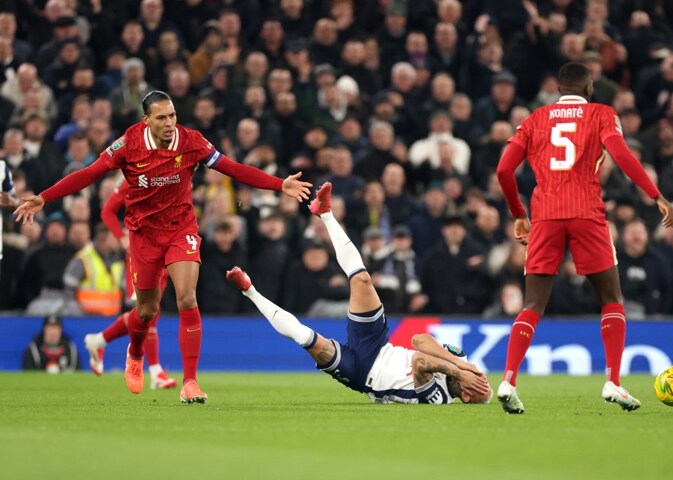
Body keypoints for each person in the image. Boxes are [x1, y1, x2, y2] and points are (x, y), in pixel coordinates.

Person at [14, 90, 312, 404]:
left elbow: (233, 168)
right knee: (146, 310)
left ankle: (191, 382)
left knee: (186, 298)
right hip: (143, 235)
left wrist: (280, 184)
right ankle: (135, 352)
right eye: (161, 117)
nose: (169, 123)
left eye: (172, 115)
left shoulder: (190, 141)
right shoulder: (127, 144)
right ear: (146, 120)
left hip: (180, 228)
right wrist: (44, 197)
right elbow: (88, 174)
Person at [495, 62, 673, 414]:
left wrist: (519, 213)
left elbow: (504, 169)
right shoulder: (601, 114)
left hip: (545, 215)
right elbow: (622, 154)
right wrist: (655, 195)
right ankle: (613, 382)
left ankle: (508, 380)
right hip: (586, 212)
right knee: (611, 297)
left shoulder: (534, 118)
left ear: (559, 88)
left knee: (532, 305)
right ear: (589, 87)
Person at [227, 182, 492, 404]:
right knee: (363, 280)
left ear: (466, 396)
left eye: (478, 384)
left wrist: (456, 370)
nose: (479, 376)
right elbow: (420, 340)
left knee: (304, 336)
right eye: (481, 377)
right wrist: (461, 365)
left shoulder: (440, 399)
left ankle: (249, 291)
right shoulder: (461, 361)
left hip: (360, 374)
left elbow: (422, 363)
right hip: (377, 345)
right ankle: (325, 213)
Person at [83, 179, 177, 390]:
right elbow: (107, 211)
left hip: (165, 250)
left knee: (150, 311)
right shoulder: (136, 174)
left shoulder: (173, 174)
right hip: (140, 251)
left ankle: (98, 340)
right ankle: (155, 372)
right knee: (148, 311)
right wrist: (122, 237)